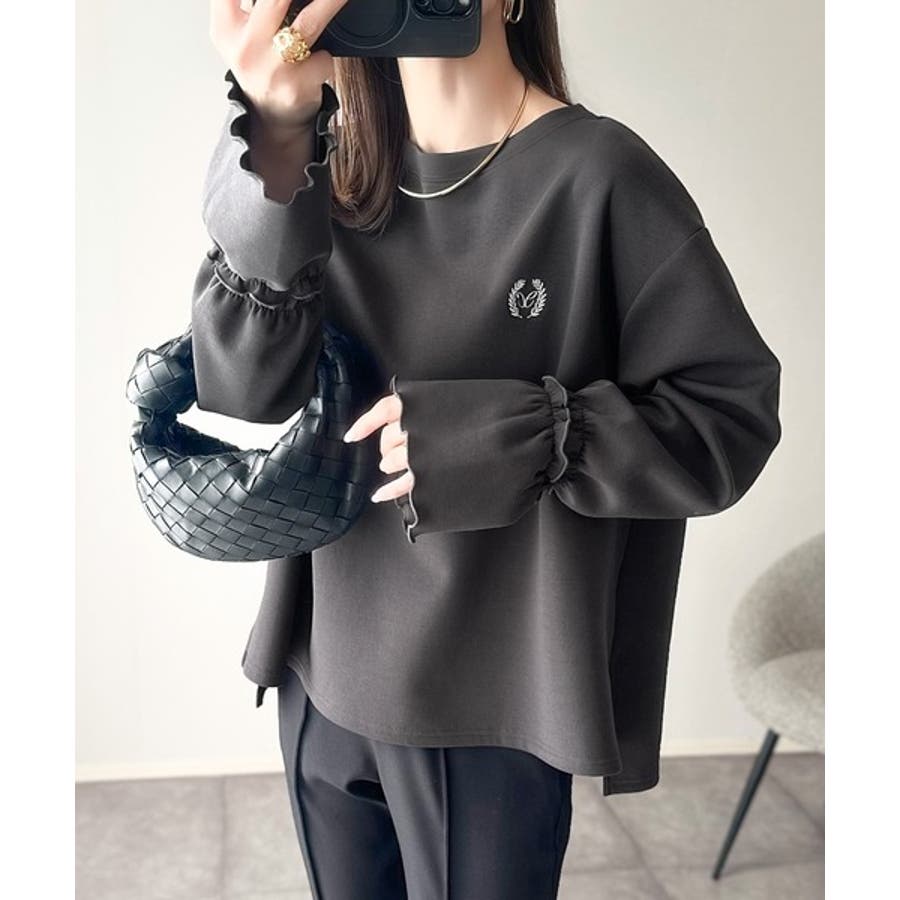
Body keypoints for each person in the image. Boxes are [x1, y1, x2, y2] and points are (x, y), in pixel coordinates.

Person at [195, 0, 783, 897]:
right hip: (323, 664)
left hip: (493, 692)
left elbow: (728, 416)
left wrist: (504, 438)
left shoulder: (598, 175)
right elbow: (241, 384)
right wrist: (274, 126)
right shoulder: (330, 166)